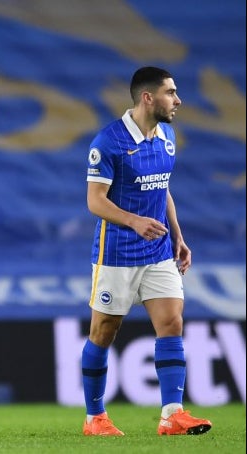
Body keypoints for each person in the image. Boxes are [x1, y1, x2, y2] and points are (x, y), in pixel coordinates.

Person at [81, 66, 212, 436]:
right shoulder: (108, 142)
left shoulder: (167, 136)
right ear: (148, 97)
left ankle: (172, 414)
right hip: (116, 254)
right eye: (171, 92)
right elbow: (95, 201)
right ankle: (95, 418)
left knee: (172, 322)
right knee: (103, 333)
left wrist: (177, 236)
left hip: (157, 252)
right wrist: (134, 221)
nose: (179, 100)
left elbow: (162, 189)